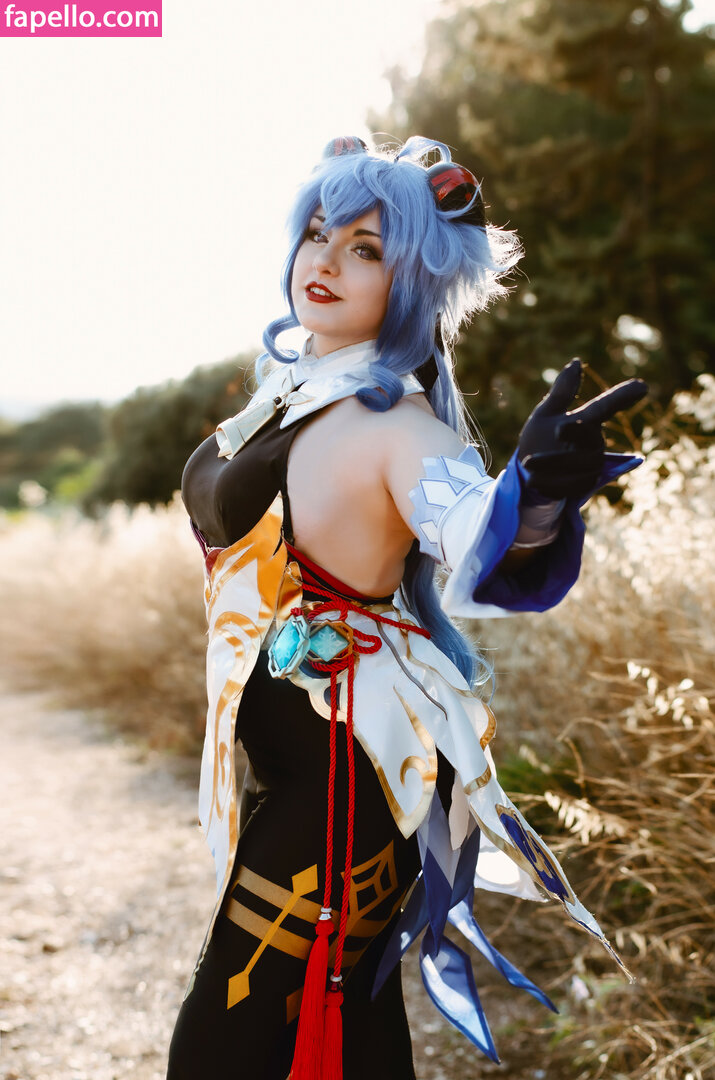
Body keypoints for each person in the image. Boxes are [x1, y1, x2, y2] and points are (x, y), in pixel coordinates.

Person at [168, 135, 646, 1080]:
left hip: (345, 776)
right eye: (317, 233)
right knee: (351, 1027)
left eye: (365, 249)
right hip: (288, 759)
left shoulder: (401, 428)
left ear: (416, 279)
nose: (325, 260)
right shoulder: (286, 395)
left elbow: (478, 538)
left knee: (227, 1038)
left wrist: (534, 501)